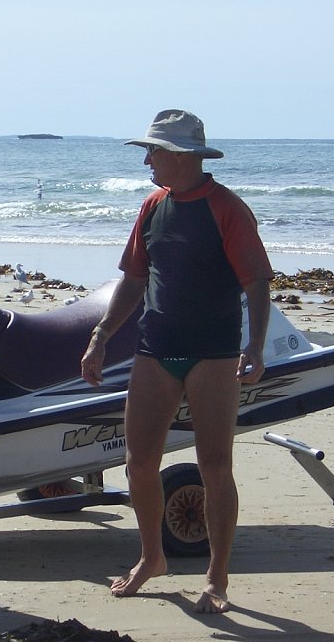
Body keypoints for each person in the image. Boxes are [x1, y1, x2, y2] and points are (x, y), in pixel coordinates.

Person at [80, 109, 273, 614]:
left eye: (153, 151)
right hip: (156, 348)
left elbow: (256, 282)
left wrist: (254, 346)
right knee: (139, 463)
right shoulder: (153, 205)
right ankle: (152, 557)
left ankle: (217, 577)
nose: (146, 159)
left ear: (182, 156)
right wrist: (101, 336)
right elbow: (134, 280)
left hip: (213, 351)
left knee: (214, 466)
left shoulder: (227, 208)